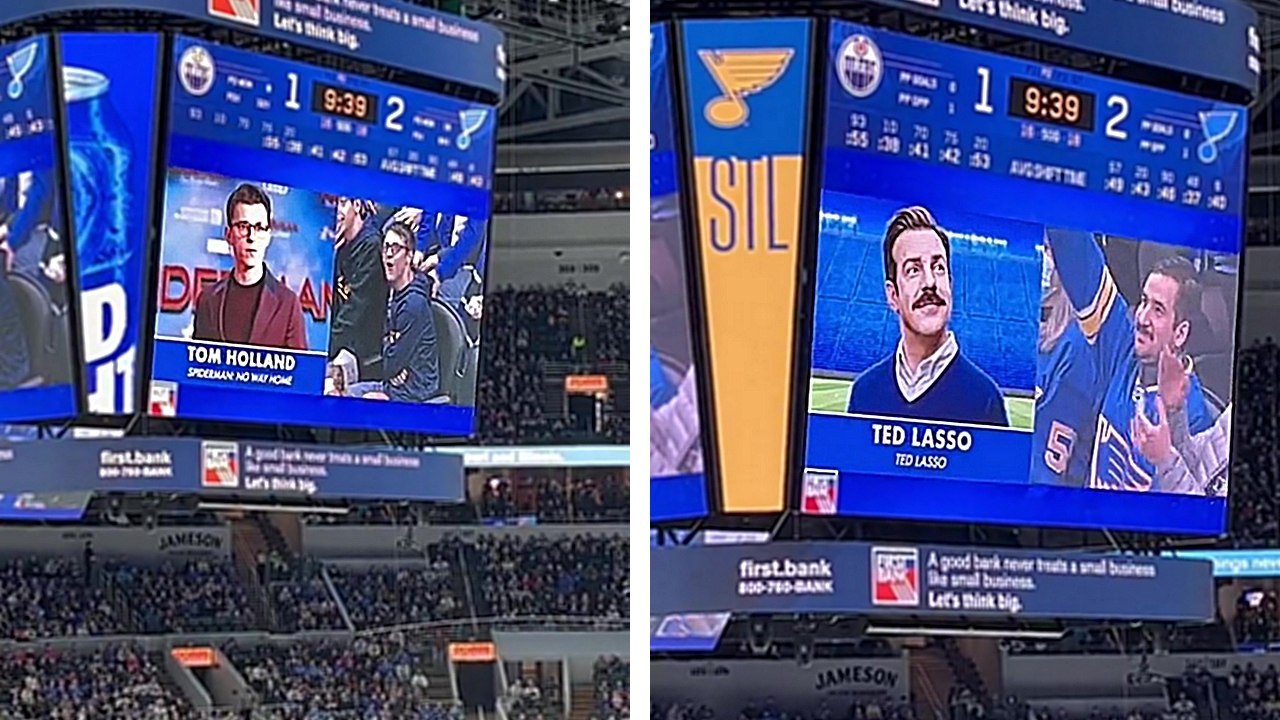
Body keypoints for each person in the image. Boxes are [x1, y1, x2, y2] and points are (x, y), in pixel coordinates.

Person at [1045, 228, 1218, 493]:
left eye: (1158, 310)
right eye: (1143, 301)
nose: (1142, 317)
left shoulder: (1191, 417)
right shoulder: (1122, 346)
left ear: (1180, 332)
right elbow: (1075, 252)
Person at [846, 206, 1008, 426]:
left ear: (950, 284)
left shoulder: (985, 399)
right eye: (913, 270)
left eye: (938, 267)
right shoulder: (864, 394)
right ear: (893, 295)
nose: (930, 282)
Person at [192, 183, 307, 350]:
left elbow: (298, 373)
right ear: (229, 235)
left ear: (268, 236)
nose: (252, 237)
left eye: (259, 228)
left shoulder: (288, 305)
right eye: (243, 227)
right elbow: (196, 368)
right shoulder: (207, 300)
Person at [343, 223, 440, 403]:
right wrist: (395, 364)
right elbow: (389, 358)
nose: (388, 254)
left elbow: (390, 365)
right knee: (338, 395)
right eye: (385, 247)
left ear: (409, 256)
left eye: (395, 249)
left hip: (412, 395)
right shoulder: (393, 292)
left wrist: (395, 367)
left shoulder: (413, 304)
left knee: (352, 404)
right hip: (393, 385)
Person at [1032, 242, 1097, 486]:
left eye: (1049, 249)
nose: (1041, 258)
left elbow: (1044, 476)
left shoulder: (1077, 349)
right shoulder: (1032, 327)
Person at [329, 196, 389, 376]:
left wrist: (324, 350)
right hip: (341, 339)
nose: (335, 211)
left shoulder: (371, 247)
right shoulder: (339, 243)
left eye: (341, 203)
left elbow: (354, 311)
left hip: (362, 349)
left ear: (356, 205)